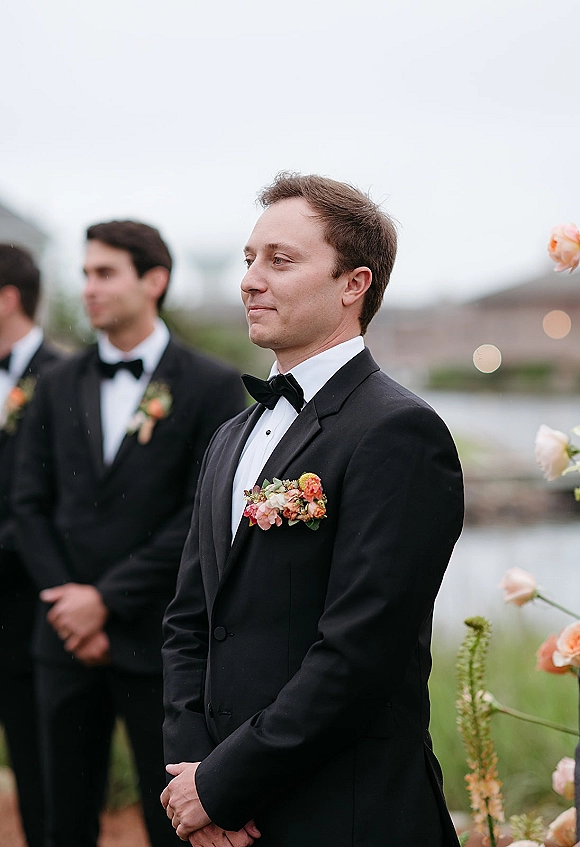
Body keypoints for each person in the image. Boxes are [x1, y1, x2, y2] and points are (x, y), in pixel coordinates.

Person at [161, 173, 464, 847]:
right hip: (224, 816)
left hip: (347, 812)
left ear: (353, 283)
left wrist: (222, 784)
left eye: (281, 259)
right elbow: (189, 620)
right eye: (248, 259)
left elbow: (359, 654)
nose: (250, 280)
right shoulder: (229, 436)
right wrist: (189, 776)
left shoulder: (400, 433)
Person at [13, 220, 246, 847]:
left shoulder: (212, 385)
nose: (89, 288)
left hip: (159, 642)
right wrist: (69, 602)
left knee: (168, 818)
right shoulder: (57, 382)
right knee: (61, 818)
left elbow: (204, 516)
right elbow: (26, 505)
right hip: (61, 637)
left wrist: (106, 601)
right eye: (85, 273)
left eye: (105, 273)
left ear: (155, 280)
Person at [0, 244, 61, 846]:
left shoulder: (62, 376)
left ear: (7, 298)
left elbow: (54, 499)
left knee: (39, 761)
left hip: (26, 604)